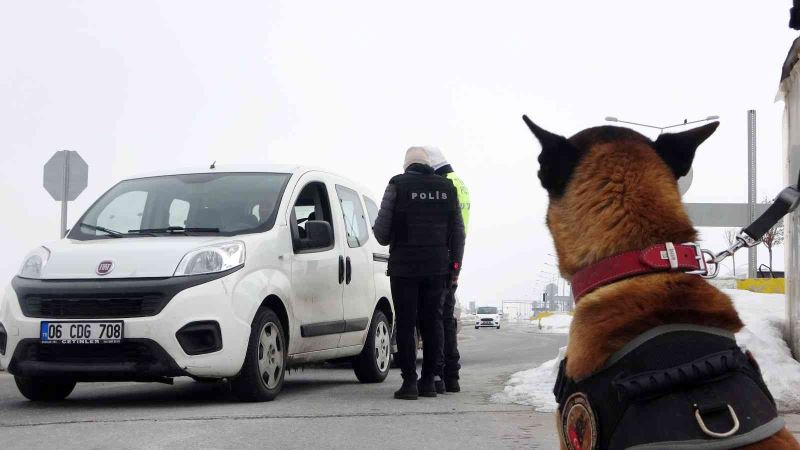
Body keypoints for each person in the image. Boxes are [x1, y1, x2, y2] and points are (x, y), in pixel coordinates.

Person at [373, 147, 466, 400]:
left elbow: (381, 235)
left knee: (406, 322)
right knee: (433, 322)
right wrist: (454, 267)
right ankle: (428, 382)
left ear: (407, 166)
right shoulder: (448, 189)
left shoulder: (397, 185)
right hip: (438, 267)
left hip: (404, 268)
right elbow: (458, 233)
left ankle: (409, 383)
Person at [425, 146, 470, 393]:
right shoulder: (460, 183)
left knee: (439, 319)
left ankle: (442, 374)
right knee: (447, 319)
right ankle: (452, 375)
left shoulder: (444, 186)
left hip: (443, 258)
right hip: (456, 257)